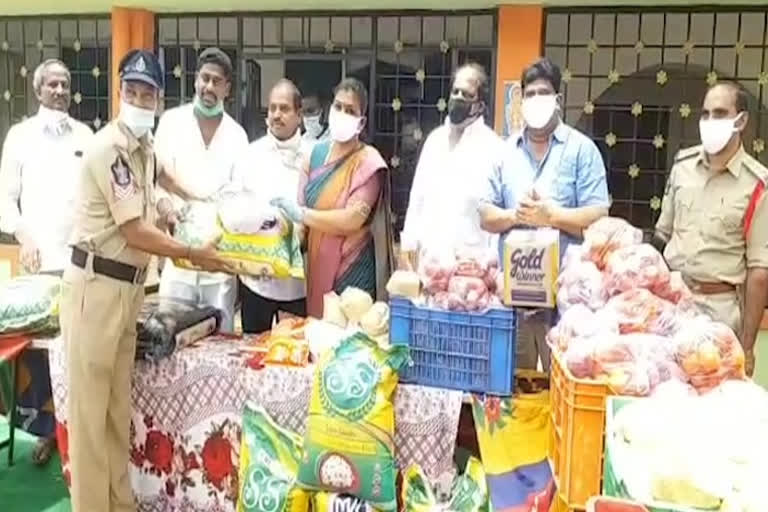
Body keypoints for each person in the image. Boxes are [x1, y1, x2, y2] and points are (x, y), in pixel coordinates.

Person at [62, 49, 232, 512]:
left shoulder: (142, 146)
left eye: (148, 93)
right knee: (90, 421)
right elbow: (134, 230)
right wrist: (196, 254)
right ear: (120, 93)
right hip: (95, 291)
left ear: (159, 99)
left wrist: (197, 202)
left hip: (128, 292)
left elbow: (162, 177)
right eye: (131, 91)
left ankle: (120, 505)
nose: (139, 100)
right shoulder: (108, 148)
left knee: (118, 414)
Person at [479, 57, 610, 372]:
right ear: (521, 100)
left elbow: (599, 217)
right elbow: (485, 214)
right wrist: (517, 215)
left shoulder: (581, 150)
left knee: (562, 381)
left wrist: (551, 216)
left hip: (568, 304)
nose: (536, 99)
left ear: (557, 100)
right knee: (517, 387)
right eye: (530, 94)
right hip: (516, 300)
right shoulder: (504, 152)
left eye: (544, 92)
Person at [0, 59, 93, 466]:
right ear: (37, 91)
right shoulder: (20, 137)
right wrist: (24, 236)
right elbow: (5, 198)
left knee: (75, 350)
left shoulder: (85, 135)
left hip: (80, 263)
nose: (59, 91)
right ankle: (46, 433)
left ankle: (76, 431)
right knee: (39, 358)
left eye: (65, 85)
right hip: (40, 263)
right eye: (52, 85)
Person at [654, 81, 768, 376]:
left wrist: (747, 345)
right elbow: (661, 237)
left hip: (719, 314)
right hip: (672, 307)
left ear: (740, 121)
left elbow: (759, 273)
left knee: (710, 406)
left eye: (719, 113)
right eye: (705, 114)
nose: (709, 122)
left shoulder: (757, 185)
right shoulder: (683, 167)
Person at [271, 77, 393, 318]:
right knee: (319, 340)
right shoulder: (313, 154)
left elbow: (351, 220)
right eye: (338, 107)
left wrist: (304, 215)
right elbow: (300, 221)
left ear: (361, 122)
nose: (342, 113)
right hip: (317, 267)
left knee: (351, 344)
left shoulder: (368, 162)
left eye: (350, 110)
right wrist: (274, 248)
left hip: (354, 270)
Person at [154, 47, 248, 332]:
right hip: (177, 253)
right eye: (204, 78)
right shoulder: (171, 122)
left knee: (220, 337)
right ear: (196, 80)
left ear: (227, 88)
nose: (208, 86)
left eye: (216, 81)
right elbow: (156, 180)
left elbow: (239, 196)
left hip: (217, 261)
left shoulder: (237, 136)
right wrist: (166, 209)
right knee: (170, 334)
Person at [399, 63, 504, 267]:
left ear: (480, 105)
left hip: (472, 270)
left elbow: (496, 214)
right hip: (429, 266)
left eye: (466, 94)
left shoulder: (495, 148)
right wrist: (408, 247)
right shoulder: (434, 141)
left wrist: (490, 264)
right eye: (455, 91)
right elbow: (417, 201)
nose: (457, 98)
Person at [234, 79, 311, 333]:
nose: (277, 115)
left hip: (298, 283)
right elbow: (236, 207)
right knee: (253, 357)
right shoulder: (250, 154)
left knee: (295, 357)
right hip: (256, 281)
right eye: (272, 108)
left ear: (299, 115)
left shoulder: (315, 156)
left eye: (284, 109)